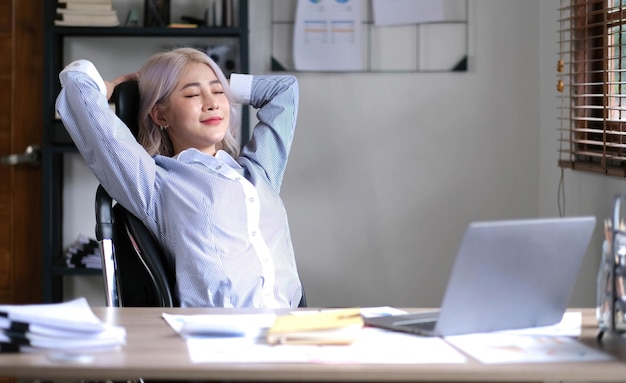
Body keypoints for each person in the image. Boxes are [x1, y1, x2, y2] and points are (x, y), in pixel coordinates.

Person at [56, 47, 303, 308]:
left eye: (218, 92)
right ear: (161, 114)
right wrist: (114, 87)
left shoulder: (258, 171)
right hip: (224, 335)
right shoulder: (156, 181)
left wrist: (220, 83)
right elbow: (76, 82)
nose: (212, 103)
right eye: (193, 94)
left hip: (293, 328)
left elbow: (284, 90)